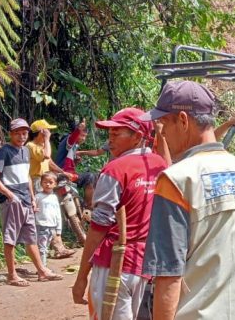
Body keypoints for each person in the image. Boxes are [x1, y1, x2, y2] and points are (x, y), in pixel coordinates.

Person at [140, 81, 235, 320]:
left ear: (183, 120)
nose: (161, 133)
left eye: (163, 123)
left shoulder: (176, 180)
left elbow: (169, 275)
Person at [71, 107, 167, 320]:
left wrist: (81, 278)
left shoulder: (115, 170)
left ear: (138, 137)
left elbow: (99, 227)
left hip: (113, 263)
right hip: (141, 265)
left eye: (117, 134)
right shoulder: (159, 165)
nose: (110, 140)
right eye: (109, 134)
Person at [0, 118, 63, 287]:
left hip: (26, 200)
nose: (21, 136)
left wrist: (32, 198)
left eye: (24, 133)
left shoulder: (25, 152)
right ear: (10, 134)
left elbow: (27, 176)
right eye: (17, 133)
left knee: (31, 237)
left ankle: (42, 271)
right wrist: (10, 195)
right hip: (12, 201)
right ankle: (12, 275)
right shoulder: (4, 152)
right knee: (10, 238)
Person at [28, 119, 76, 259]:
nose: (50, 133)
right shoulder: (31, 146)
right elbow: (47, 156)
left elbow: (49, 163)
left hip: (44, 180)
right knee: (45, 215)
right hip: (37, 182)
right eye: (47, 131)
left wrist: (62, 172)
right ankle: (56, 247)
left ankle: (57, 246)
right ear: (41, 133)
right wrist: (47, 139)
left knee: (50, 213)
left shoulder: (41, 146)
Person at [34, 172, 61, 266]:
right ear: (41, 183)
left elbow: (58, 213)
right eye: (45, 182)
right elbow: (33, 209)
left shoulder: (54, 197)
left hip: (52, 227)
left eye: (50, 182)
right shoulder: (38, 197)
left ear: (55, 184)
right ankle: (42, 268)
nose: (48, 184)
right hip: (41, 225)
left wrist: (59, 229)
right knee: (42, 248)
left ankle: (42, 267)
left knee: (46, 247)